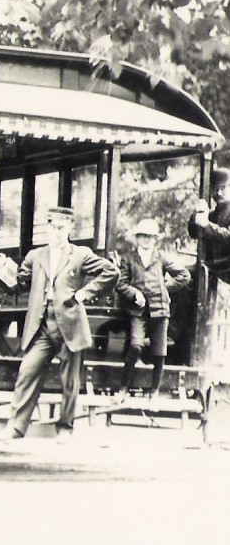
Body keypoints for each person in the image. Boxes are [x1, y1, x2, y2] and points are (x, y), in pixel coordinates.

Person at [0, 206, 119, 439]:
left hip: (70, 325)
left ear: (69, 229)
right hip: (41, 326)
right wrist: (1, 267)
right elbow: (19, 284)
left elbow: (111, 272)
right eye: (52, 227)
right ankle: (16, 427)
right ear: (47, 228)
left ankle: (65, 428)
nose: (57, 232)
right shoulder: (35, 256)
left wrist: (84, 294)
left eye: (61, 228)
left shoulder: (80, 254)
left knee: (70, 380)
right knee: (27, 371)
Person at [113, 218, 191, 400]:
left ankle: (154, 392)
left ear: (155, 239)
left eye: (150, 237)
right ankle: (123, 389)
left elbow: (184, 275)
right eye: (142, 236)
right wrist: (135, 294)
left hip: (160, 308)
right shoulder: (128, 259)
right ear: (137, 238)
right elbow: (121, 283)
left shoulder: (160, 257)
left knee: (159, 352)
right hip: (138, 311)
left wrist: (166, 287)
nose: (146, 240)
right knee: (136, 346)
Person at [188, 167, 230, 320]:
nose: (218, 192)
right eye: (215, 188)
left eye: (223, 188)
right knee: (183, 277)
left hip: (226, 269)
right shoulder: (212, 214)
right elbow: (194, 233)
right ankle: (180, 333)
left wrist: (206, 224)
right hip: (212, 268)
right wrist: (196, 216)